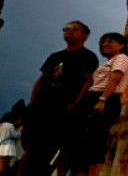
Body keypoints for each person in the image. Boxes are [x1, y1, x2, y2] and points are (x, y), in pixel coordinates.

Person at [18, 20, 99, 176]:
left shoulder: (88, 57)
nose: (68, 32)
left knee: (58, 149)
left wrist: (75, 103)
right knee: (31, 148)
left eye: (74, 29)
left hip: (64, 109)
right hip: (43, 107)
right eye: (66, 29)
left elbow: (88, 81)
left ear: (84, 35)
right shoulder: (55, 56)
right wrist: (33, 102)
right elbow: (41, 79)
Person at [71, 33, 128, 176]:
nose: (105, 43)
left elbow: (115, 78)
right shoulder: (110, 61)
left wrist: (102, 100)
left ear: (122, 45)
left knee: (96, 139)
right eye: (102, 41)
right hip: (95, 97)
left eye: (110, 41)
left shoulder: (121, 58)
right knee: (85, 140)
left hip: (105, 98)